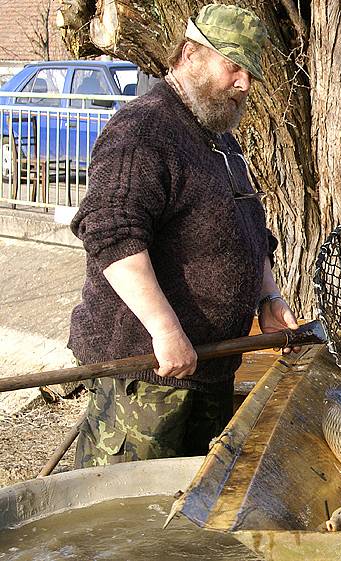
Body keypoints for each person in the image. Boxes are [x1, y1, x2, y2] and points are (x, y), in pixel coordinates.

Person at [69, 4, 298, 467]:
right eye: (233, 66)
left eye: (250, 72)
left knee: (191, 515)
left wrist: (268, 298)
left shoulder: (219, 138)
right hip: (148, 376)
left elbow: (249, 232)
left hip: (211, 367)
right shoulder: (143, 128)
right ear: (190, 55)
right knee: (129, 520)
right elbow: (111, 235)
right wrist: (164, 327)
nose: (244, 84)